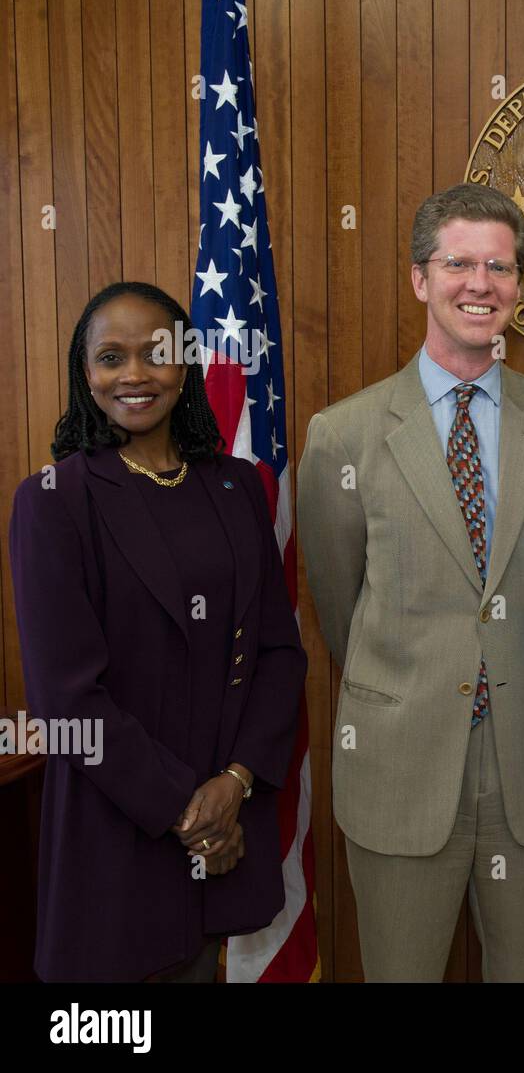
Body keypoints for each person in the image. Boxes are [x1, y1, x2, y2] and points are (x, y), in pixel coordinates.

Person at [298, 183, 524, 982]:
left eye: (499, 265)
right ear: (421, 278)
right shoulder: (345, 435)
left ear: (519, 286)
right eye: (458, 261)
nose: (480, 283)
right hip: (398, 765)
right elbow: (337, 598)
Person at [9, 281, 306, 982]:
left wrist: (233, 786)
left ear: (187, 362)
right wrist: (188, 810)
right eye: (111, 357)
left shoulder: (236, 486)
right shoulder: (54, 500)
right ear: (87, 375)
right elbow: (67, 700)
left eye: (156, 353)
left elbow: (277, 653)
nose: (135, 374)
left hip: (222, 837)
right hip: (116, 836)